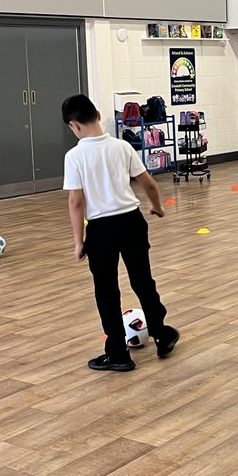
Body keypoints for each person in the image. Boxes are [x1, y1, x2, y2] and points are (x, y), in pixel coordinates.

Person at [61, 93, 179, 372]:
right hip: (131, 221)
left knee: (106, 290)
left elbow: (76, 202)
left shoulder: (74, 156)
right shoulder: (122, 146)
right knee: (142, 280)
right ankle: (161, 334)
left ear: (73, 126)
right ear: (98, 115)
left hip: (100, 229)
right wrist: (157, 206)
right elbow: (147, 183)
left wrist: (78, 241)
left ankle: (117, 353)